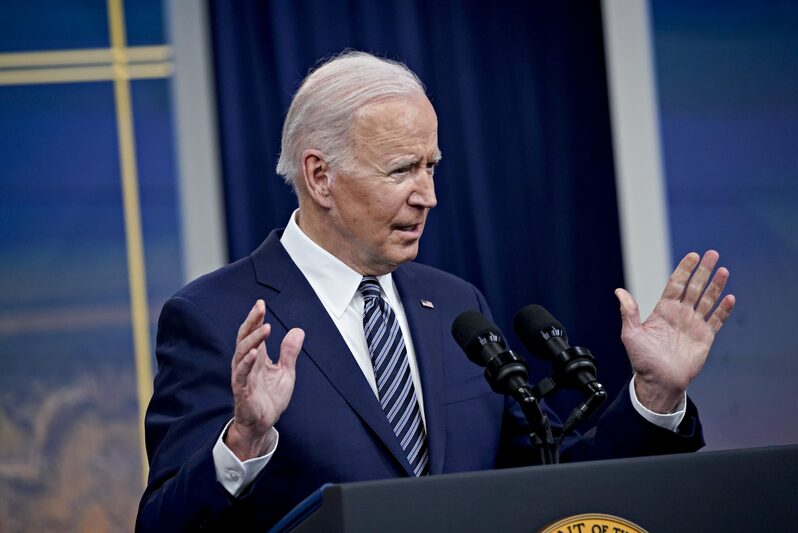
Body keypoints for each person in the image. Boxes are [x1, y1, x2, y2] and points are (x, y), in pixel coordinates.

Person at [136, 51, 735, 531]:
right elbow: (163, 525)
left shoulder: (455, 306)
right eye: (401, 171)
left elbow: (559, 485)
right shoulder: (214, 318)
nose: (428, 196)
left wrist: (654, 397)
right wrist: (243, 442)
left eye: (431, 166)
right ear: (320, 177)